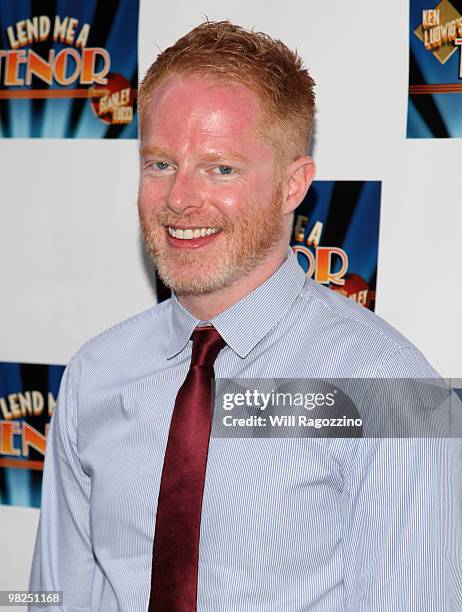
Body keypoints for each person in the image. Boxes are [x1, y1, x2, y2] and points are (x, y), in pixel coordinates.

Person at [30, 20, 461, 611]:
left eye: (220, 168)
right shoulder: (96, 373)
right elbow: (57, 597)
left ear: (294, 185)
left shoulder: (394, 391)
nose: (179, 199)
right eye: (160, 164)